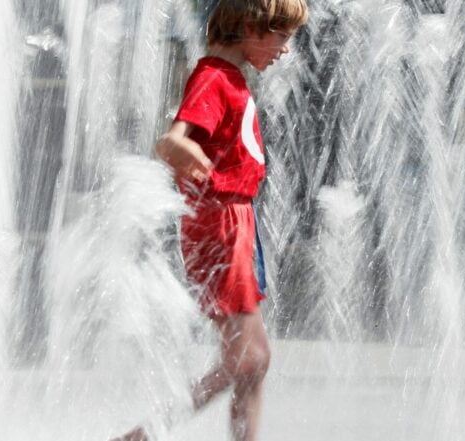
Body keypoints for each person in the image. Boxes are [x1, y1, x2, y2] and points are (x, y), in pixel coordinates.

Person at [112, 1, 308, 440]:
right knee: (251, 359)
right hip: (221, 224)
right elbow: (173, 139)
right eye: (282, 35)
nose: (286, 50)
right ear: (250, 26)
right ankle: (142, 435)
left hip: (237, 221)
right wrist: (182, 151)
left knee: (250, 363)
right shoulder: (214, 78)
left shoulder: (230, 78)